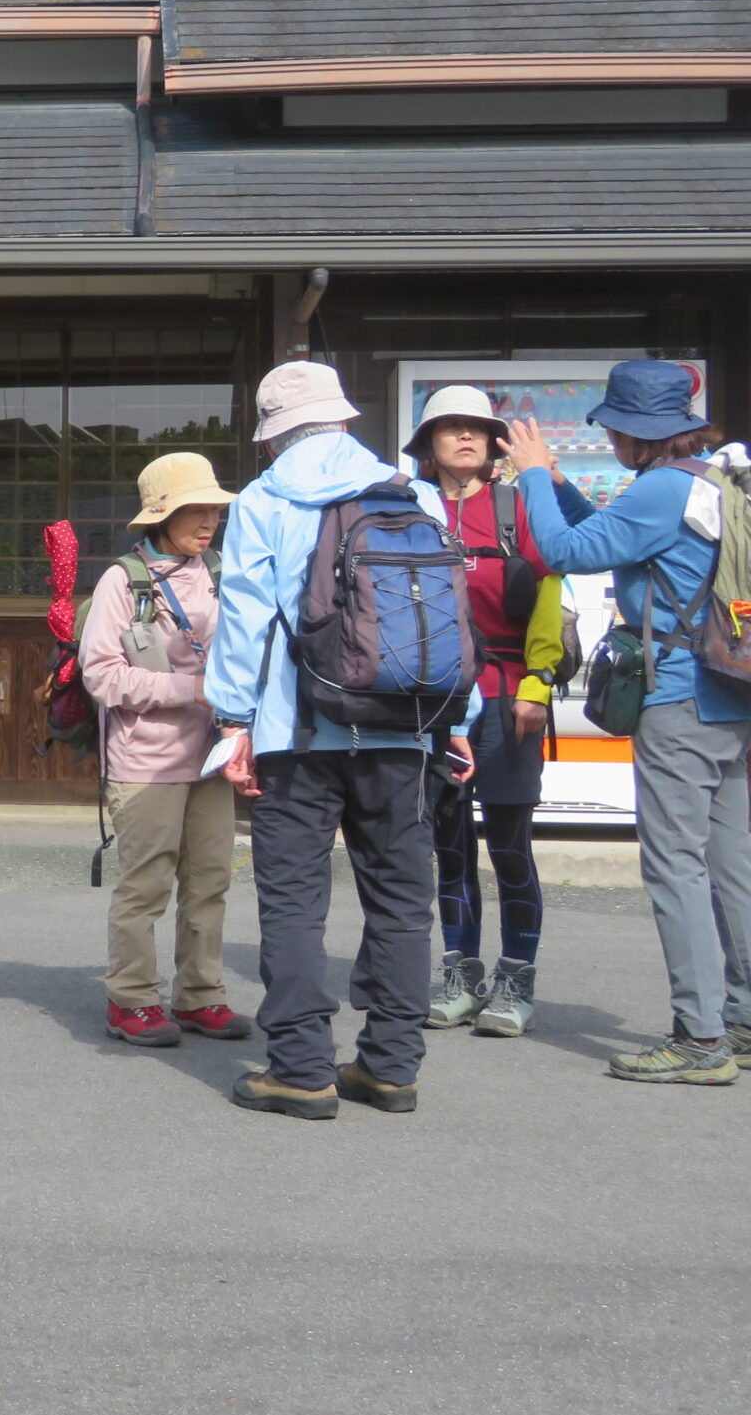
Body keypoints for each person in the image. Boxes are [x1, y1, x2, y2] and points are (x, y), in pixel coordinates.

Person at [204, 361, 477, 1120]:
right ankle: (391, 1067)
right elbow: (447, 615)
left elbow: (245, 620)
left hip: (297, 733)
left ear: (275, 435)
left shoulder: (264, 500)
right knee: (401, 899)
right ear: (346, 420)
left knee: (295, 901)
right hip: (408, 729)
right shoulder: (415, 494)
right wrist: (458, 720)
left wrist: (233, 722)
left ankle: (301, 1069)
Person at [504, 362, 751, 1085]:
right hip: (731, 694)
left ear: (636, 433)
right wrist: (560, 486)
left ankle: (699, 1039)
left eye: (614, 429)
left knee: (675, 867)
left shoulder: (661, 488)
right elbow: (614, 534)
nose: (610, 440)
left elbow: (563, 551)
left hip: (678, 698)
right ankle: (741, 1020)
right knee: (733, 866)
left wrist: (533, 476)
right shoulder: (713, 480)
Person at [407, 386, 568, 1038]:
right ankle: (461, 975)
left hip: (507, 694)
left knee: (508, 845)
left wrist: (539, 683)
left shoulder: (516, 505)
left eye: (477, 427)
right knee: (449, 846)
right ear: (429, 442)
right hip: (438, 701)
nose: (466, 436)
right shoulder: (411, 507)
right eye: (450, 427)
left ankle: (516, 979)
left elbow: (551, 591)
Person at [80, 452, 248, 1048]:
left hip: (213, 757)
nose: (208, 521)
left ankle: (200, 995)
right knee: (146, 886)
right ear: (160, 514)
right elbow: (101, 675)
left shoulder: (223, 572)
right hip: (145, 763)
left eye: (214, 510)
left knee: (209, 882)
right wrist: (192, 689)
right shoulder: (122, 580)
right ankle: (131, 999)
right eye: (194, 509)